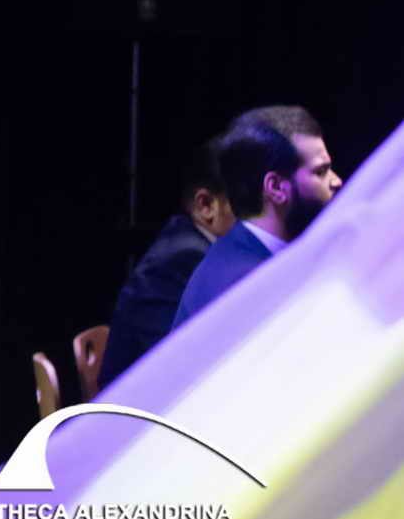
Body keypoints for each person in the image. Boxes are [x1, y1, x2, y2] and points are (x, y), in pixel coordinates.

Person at [168, 104, 341, 330]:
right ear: (276, 187)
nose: (336, 181)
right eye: (320, 171)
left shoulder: (241, 252)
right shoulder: (243, 282)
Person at [91, 137, 231, 396]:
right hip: (141, 415)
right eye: (247, 200)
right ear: (206, 205)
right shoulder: (182, 261)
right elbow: (185, 373)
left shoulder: (197, 246)